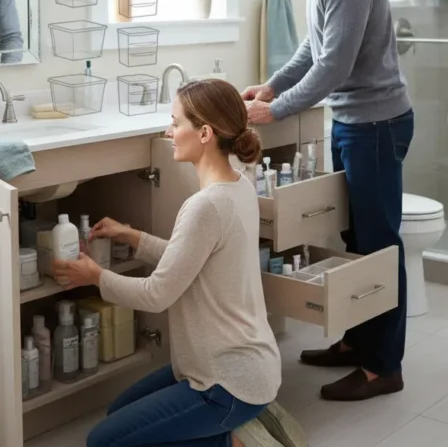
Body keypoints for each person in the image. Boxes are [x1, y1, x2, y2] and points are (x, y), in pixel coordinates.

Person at [52, 79, 296, 447]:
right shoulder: (239, 186)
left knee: (104, 441)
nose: (169, 131)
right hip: (242, 365)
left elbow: (156, 294)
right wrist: (134, 237)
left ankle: (233, 442)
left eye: (175, 122)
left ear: (204, 134)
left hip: (227, 383)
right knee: (118, 413)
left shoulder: (205, 206)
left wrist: (95, 276)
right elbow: (193, 260)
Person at [244, 0, 415, 402]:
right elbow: (313, 48)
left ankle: (383, 367)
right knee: (356, 241)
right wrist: (272, 84)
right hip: (352, 123)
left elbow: (335, 67)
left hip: (377, 125)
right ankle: (356, 343)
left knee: (380, 244)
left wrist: (275, 111)